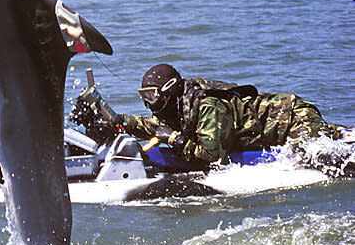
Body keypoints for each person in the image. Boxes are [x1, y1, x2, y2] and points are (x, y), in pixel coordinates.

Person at [70, 62, 346, 170]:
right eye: (145, 98)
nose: (150, 104)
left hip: (293, 118)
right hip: (276, 125)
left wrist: (176, 140)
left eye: (152, 97)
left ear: (170, 92)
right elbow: (148, 125)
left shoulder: (208, 107)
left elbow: (213, 157)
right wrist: (113, 120)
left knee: (316, 158)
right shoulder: (177, 108)